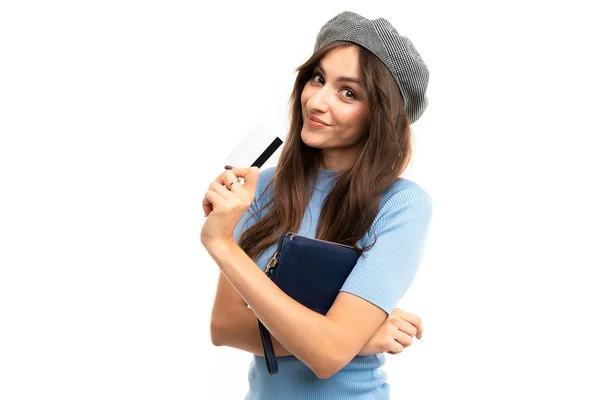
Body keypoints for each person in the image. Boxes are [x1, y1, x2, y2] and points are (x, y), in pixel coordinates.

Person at [201, 10, 432, 399]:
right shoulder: (262, 186)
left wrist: (222, 244)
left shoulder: (401, 205)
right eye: (318, 78)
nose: (317, 101)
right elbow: (224, 327)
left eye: (348, 92)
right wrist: (351, 337)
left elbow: (327, 356)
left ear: (382, 116)